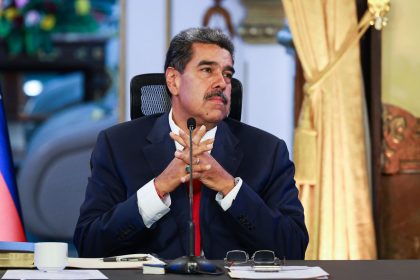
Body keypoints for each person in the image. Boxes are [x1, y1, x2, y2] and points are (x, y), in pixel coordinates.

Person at [74, 27, 308, 260]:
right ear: (173, 80)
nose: (221, 83)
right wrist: (159, 187)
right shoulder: (118, 145)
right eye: (207, 70)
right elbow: (90, 244)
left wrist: (229, 187)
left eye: (227, 74)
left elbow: (293, 248)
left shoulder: (268, 151)